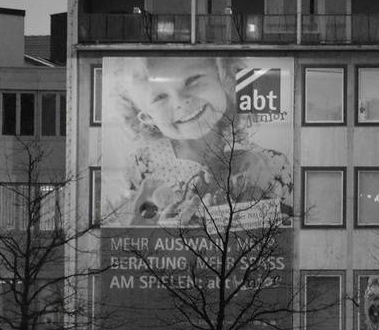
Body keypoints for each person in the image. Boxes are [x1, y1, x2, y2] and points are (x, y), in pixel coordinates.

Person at [112, 55, 290, 227]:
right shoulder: (141, 166)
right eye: (159, 97)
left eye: (192, 80)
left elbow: (282, 235)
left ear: (225, 79)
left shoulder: (271, 163)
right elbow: (129, 238)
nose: (180, 101)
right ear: (147, 118)